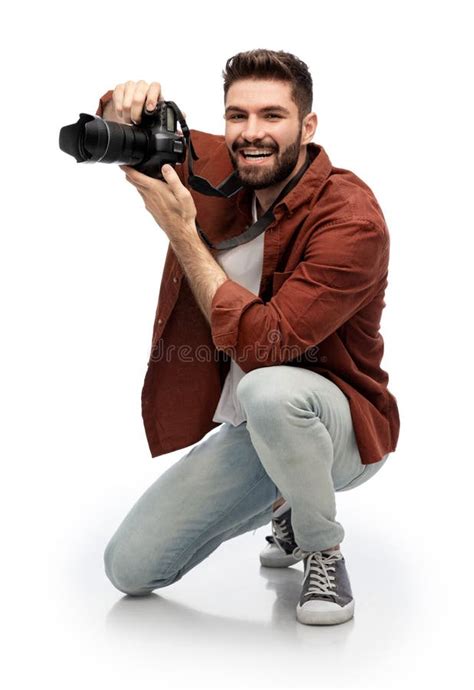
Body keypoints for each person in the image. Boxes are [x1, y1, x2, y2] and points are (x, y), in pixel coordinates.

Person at [96, 49, 400, 626]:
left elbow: (266, 348)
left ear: (307, 127)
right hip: (254, 431)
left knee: (269, 389)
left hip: (338, 427)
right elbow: (136, 130)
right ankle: (284, 494)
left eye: (271, 116)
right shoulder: (230, 165)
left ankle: (321, 549)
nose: (251, 133)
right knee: (128, 569)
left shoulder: (350, 219)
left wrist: (183, 234)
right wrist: (119, 106)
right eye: (237, 116)